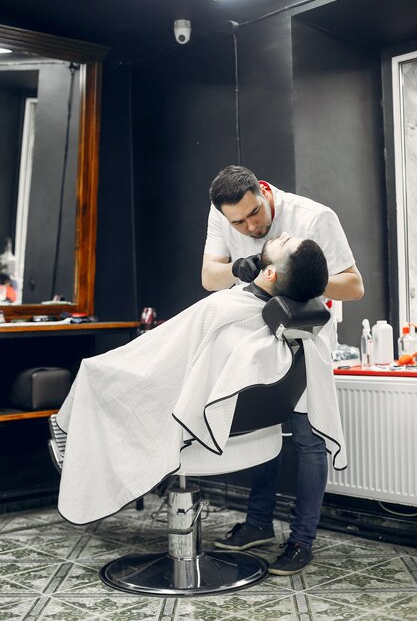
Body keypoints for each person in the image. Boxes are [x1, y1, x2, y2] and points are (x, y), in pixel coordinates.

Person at [56, 234, 345, 526]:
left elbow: (164, 364)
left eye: (285, 241)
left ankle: (74, 445)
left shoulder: (223, 307)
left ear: (269, 273)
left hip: (195, 429)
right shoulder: (297, 335)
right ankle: (73, 438)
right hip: (252, 433)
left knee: (95, 371)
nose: (282, 234)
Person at [202, 165, 364, 576]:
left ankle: (301, 541)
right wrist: (242, 268)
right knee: (261, 430)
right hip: (252, 342)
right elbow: (209, 277)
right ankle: (258, 523)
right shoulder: (225, 216)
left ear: (263, 191)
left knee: (308, 440)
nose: (249, 225)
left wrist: (294, 275)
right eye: (238, 221)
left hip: (304, 341)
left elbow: (353, 285)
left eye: (254, 213)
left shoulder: (313, 217)